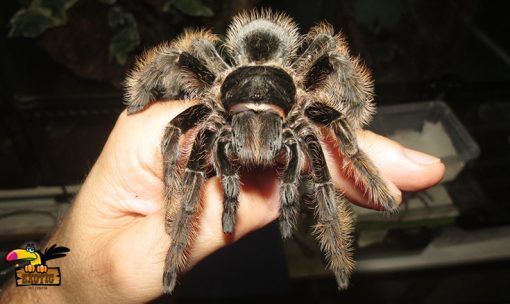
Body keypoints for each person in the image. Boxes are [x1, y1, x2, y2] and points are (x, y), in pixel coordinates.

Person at [0, 101, 444, 303]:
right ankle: (174, 254)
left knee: (325, 174)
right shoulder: (211, 116)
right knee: (193, 162)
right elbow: (173, 126)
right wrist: (57, 288)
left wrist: (48, 292)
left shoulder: (303, 114)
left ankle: (341, 264)